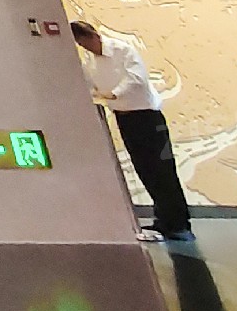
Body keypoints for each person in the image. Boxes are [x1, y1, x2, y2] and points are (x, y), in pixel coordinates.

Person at [73, 21, 194, 243]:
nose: (85, 47)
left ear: (92, 36)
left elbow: (137, 78)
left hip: (146, 116)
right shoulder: (91, 62)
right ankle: (163, 220)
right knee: (145, 170)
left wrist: (114, 94)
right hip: (124, 118)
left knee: (163, 170)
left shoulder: (123, 50)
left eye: (83, 41)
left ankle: (180, 225)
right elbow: (91, 85)